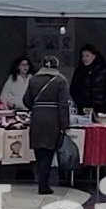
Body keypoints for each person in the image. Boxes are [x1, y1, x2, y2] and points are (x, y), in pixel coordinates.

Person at [24, 55, 71, 195]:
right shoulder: (60, 81)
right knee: (48, 153)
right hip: (53, 119)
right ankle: (44, 185)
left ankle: (42, 181)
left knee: (39, 152)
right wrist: (65, 124)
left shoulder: (33, 80)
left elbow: (26, 101)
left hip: (37, 118)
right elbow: (63, 105)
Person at [71, 45, 106, 115]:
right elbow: (73, 88)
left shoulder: (105, 71)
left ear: (94, 56)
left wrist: (104, 102)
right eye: (83, 56)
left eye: (87, 56)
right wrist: (79, 102)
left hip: (103, 110)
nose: (84, 58)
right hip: (83, 109)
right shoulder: (79, 71)